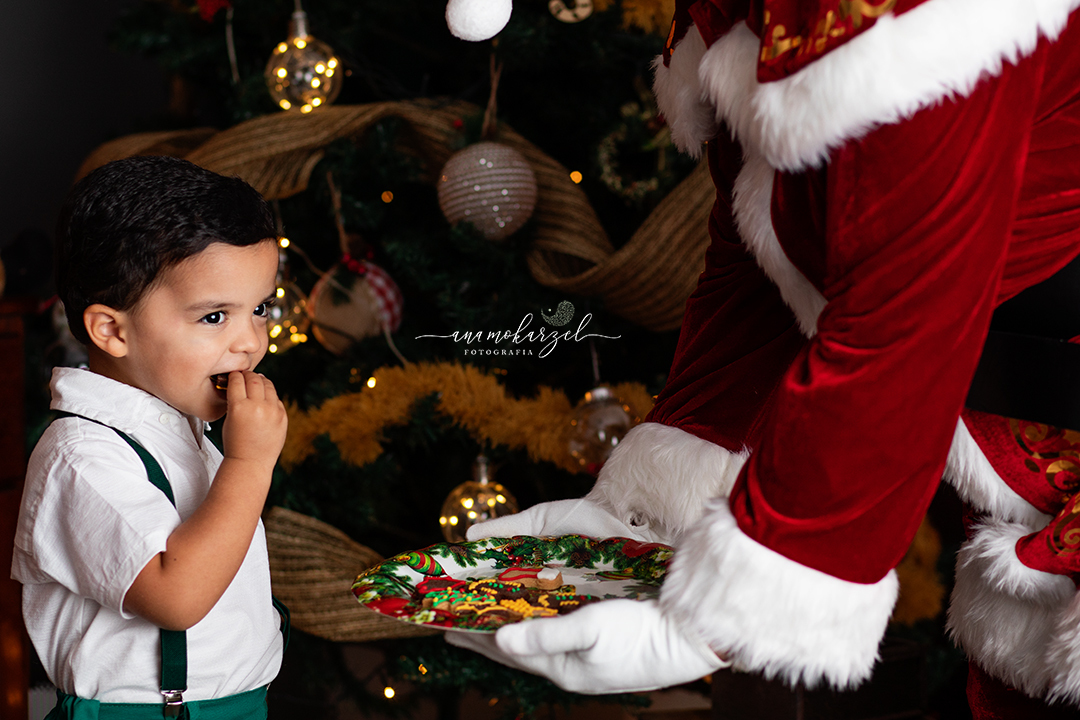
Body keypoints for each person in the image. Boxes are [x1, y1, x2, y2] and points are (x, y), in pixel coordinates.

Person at [447, 1, 1080, 717]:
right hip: (1017, 458)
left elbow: (906, 310)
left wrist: (722, 619)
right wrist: (648, 511)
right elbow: (769, 243)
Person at [10, 155, 289, 719]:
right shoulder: (81, 457)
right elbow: (175, 596)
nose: (250, 342)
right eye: (215, 317)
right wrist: (250, 464)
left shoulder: (180, 425)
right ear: (112, 330)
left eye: (260, 308)